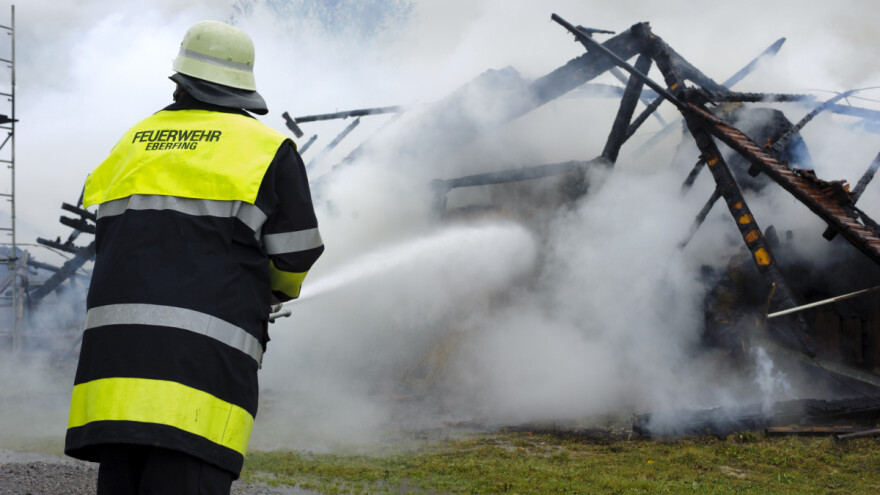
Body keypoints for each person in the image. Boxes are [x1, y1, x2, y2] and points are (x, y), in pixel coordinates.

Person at [64, 20, 324, 494]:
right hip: (198, 383)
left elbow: (118, 241)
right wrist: (272, 291)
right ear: (243, 82)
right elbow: (296, 254)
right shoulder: (266, 149)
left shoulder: (132, 142)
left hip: (112, 378)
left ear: (180, 77)